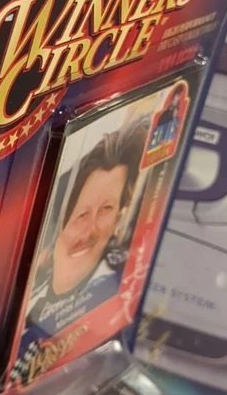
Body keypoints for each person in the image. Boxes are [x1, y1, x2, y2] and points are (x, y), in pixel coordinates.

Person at [26, 118, 147, 335]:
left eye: (106, 209)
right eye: (81, 215)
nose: (91, 230)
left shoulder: (118, 290)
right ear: (57, 223)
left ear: (118, 216)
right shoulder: (28, 297)